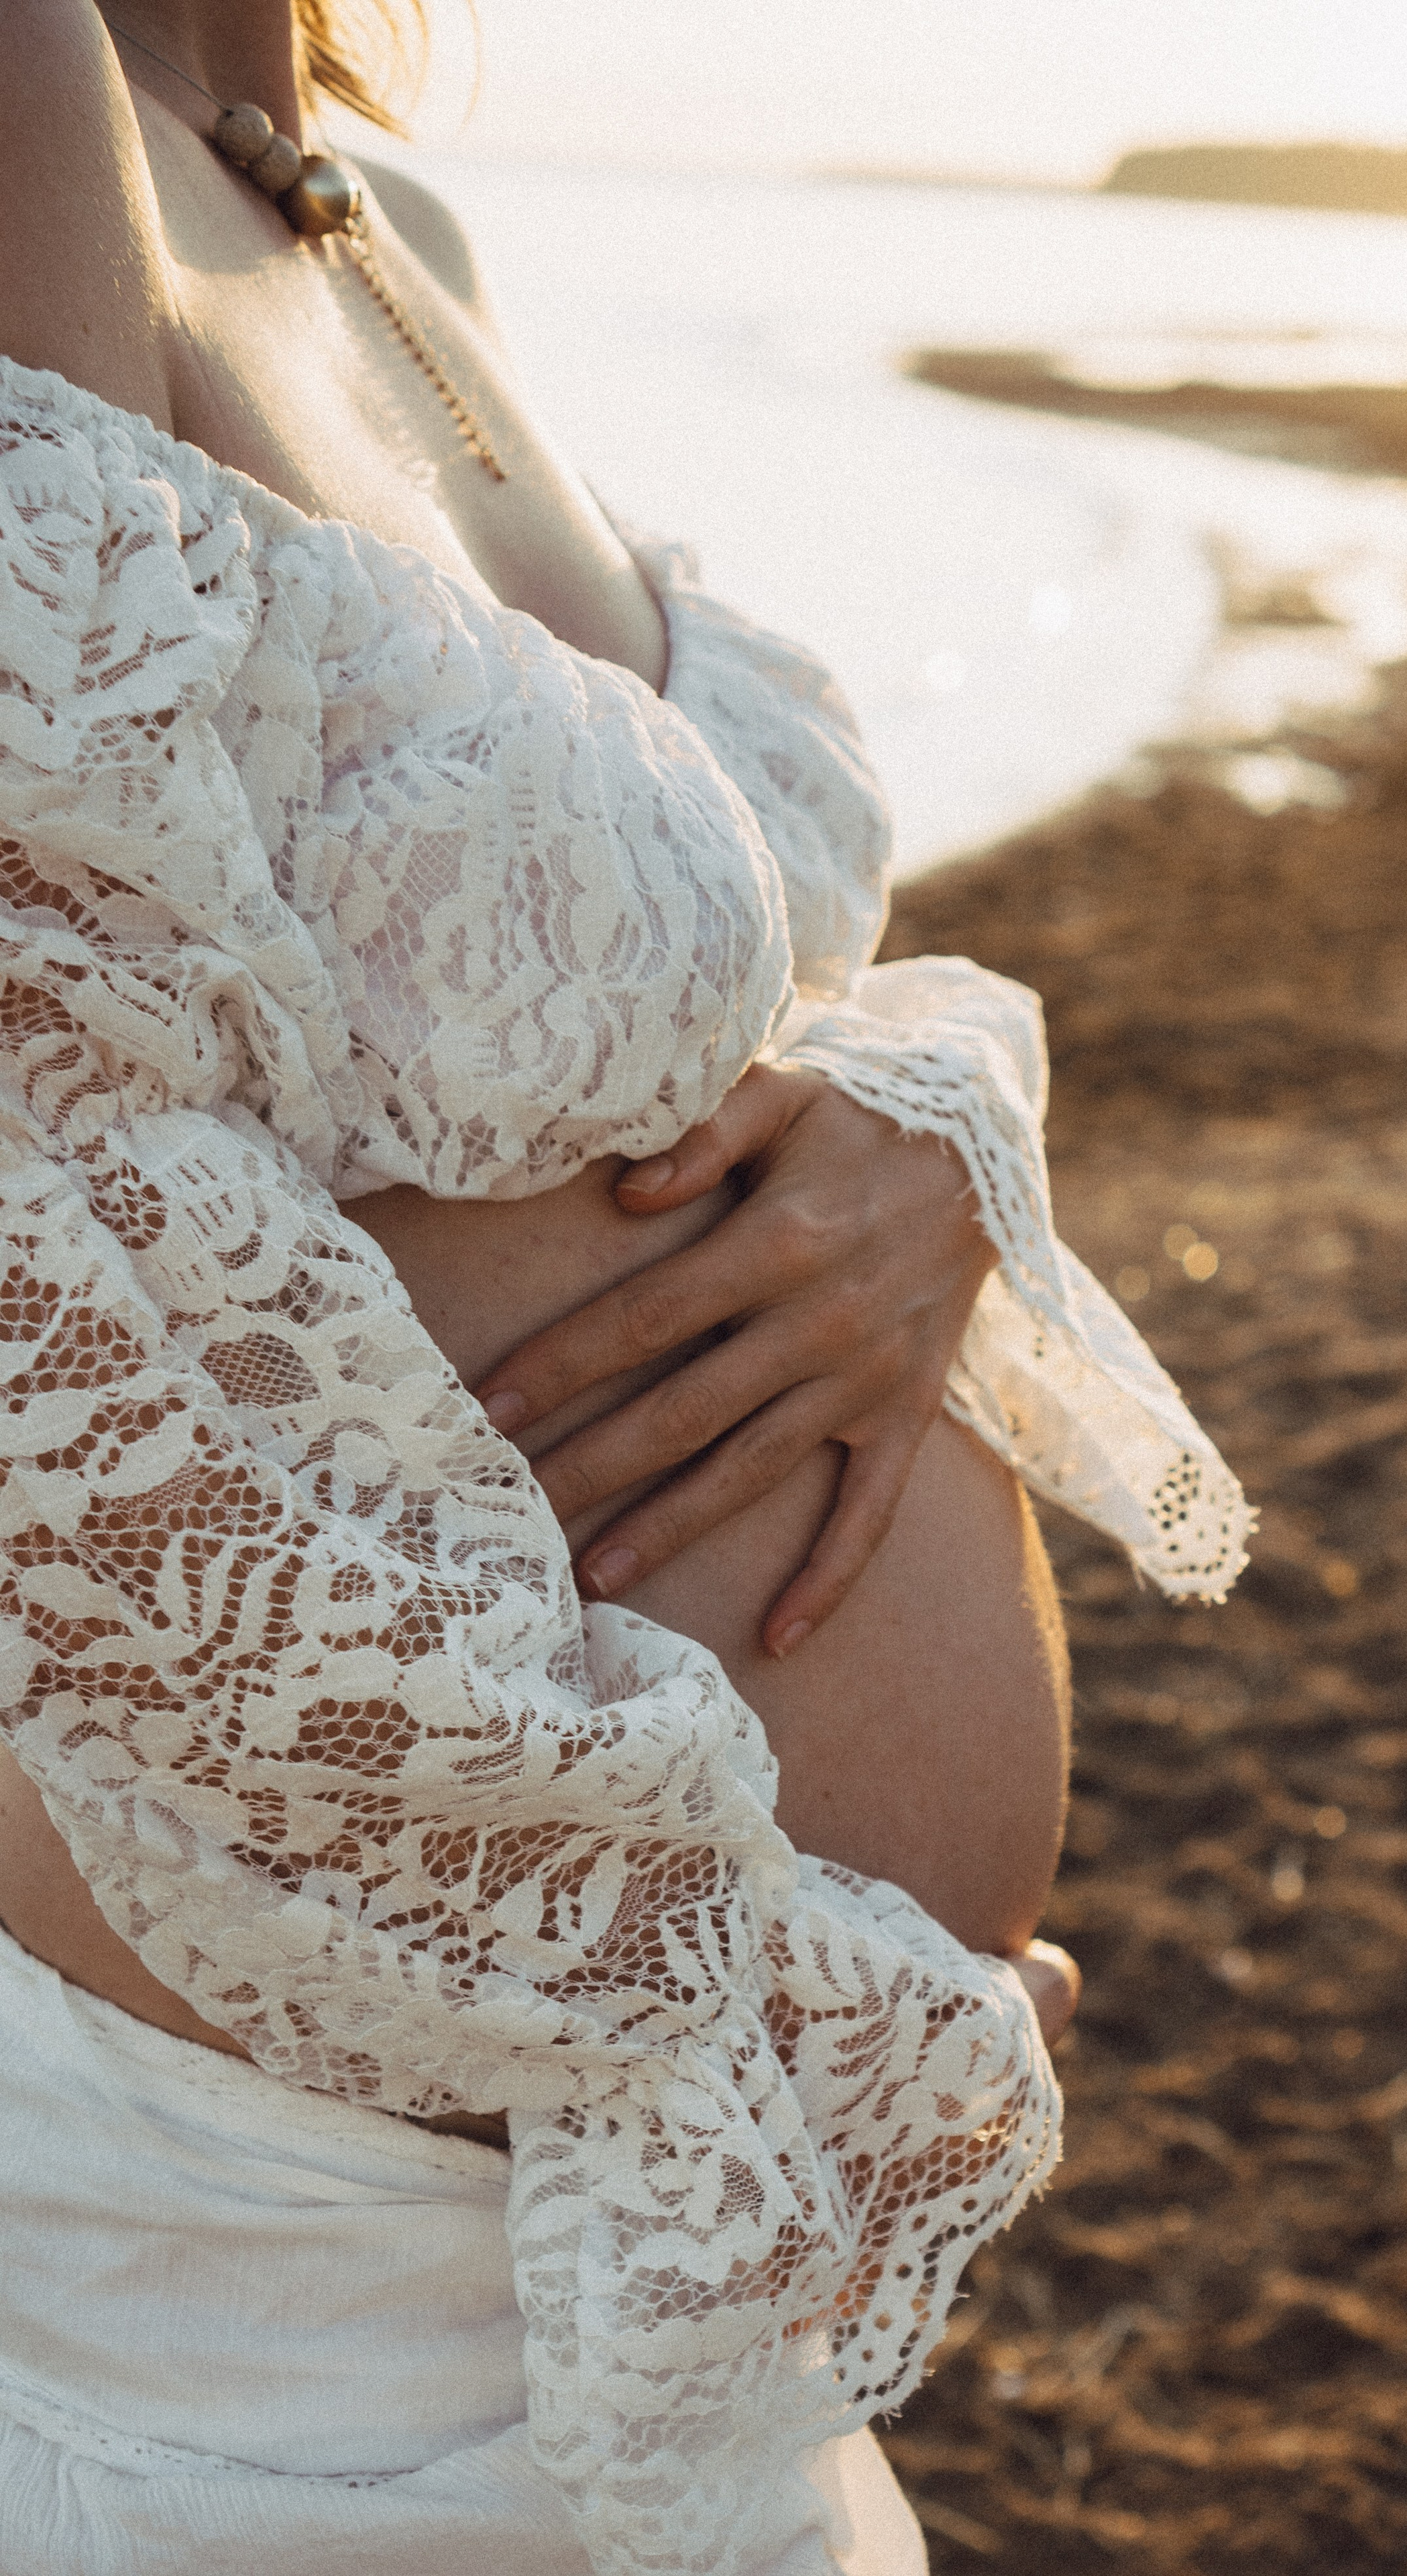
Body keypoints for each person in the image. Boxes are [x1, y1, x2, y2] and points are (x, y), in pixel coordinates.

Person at [0, 5, 1250, 2571]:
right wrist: (768, 1997)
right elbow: (48, 1257)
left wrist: (934, 1125)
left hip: (614, 2214)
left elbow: (690, 1001)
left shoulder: (383, 224)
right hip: (314, 2261)